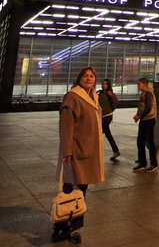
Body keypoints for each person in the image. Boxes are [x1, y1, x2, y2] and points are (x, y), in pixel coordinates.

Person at [56, 67, 104, 244]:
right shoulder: (73, 96)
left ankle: (61, 222)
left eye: (92, 76)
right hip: (76, 150)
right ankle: (74, 227)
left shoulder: (93, 96)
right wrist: (67, 152)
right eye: (85, 75)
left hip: (88, 149)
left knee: (75, 188)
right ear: (79, 79)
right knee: (76, 189)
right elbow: (66, 126)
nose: (89, 78)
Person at [132, 77, 158, 172]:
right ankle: (142, 163)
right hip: (144, 119)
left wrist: (139, 116)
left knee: (149, 142)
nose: (137, 86)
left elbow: (148, 108)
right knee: (140, 141)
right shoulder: (143, 93)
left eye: (139, 84)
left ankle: (153, 163)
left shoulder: (148, 93)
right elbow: (142, 107)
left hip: (149, 119)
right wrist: (138, 115)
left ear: (145, 85)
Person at [98, 79, 120, 160]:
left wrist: (112, 95)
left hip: (107, 116)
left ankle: (94, 152)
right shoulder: (100, 93)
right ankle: (116, 151)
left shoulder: (109, 93)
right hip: (102, 116)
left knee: (98, 134)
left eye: (106, 84)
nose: (104, 85)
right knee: (108, 134)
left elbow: (117, 102)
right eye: (103, 83)